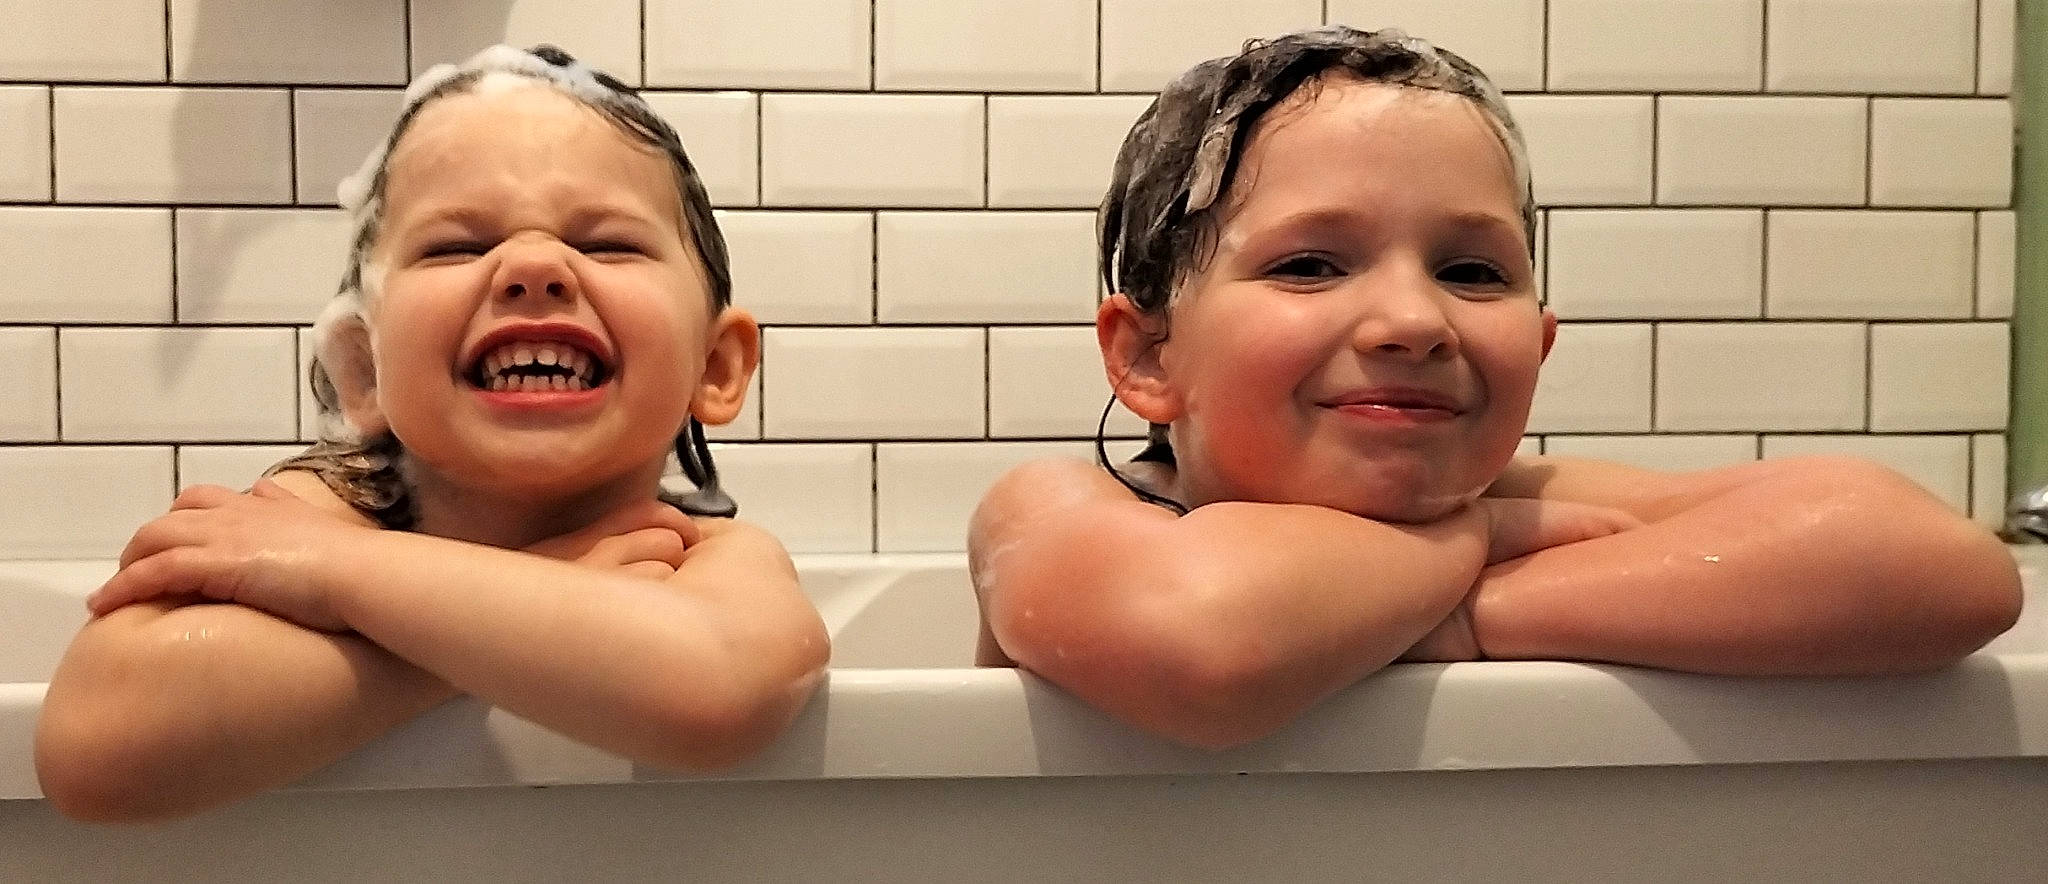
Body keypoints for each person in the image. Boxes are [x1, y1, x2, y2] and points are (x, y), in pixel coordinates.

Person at [968, 26, 2022, 750]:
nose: (1414, 322)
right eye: (1308, 264)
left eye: (1470, 272)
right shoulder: (1064, 509)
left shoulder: (1516, 497)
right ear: (1146, 356)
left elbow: (1941, 565)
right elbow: (1201, 641)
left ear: (1539, 339)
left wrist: (1475, 613)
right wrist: (1460, 547)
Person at [35, 45, 828, 821]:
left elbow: (719, 690)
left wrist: (349, 577)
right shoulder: (312, 519)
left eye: (605, 243)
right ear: (364, 370)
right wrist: (546, 586)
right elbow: (92, 745)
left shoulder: (701, 555)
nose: (534, 266)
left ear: (715, 368)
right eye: (458, 246)